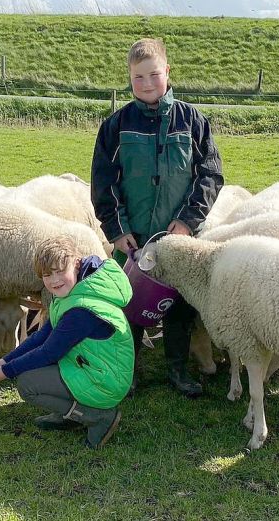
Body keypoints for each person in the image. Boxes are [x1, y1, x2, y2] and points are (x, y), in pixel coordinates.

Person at [91, 37, 224, 398]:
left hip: (177, 236)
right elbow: (104, 183)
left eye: (153, 74)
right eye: (138, 77)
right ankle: (129, 370)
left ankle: (178, 370)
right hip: (132, 236)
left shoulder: (193, 121)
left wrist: (187, 221)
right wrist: (117, 230)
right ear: (129, 79)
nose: (147, 84)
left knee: (178, 304)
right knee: (127, 301)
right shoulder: (115, 127)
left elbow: (210, 175)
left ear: (167, 72)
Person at [0, 235, 134, 449]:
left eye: (59, 271)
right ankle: (72, 413)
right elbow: (43, 335)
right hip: (94, 366)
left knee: (28, 385)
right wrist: (2, 362)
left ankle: (97, 417)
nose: (54, 280)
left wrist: (5, 372)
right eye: (47, 275)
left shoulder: (81, 308)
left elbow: (49, 352)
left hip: (104, 381)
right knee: (34, 369)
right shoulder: (76, 290)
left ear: (76, 263)